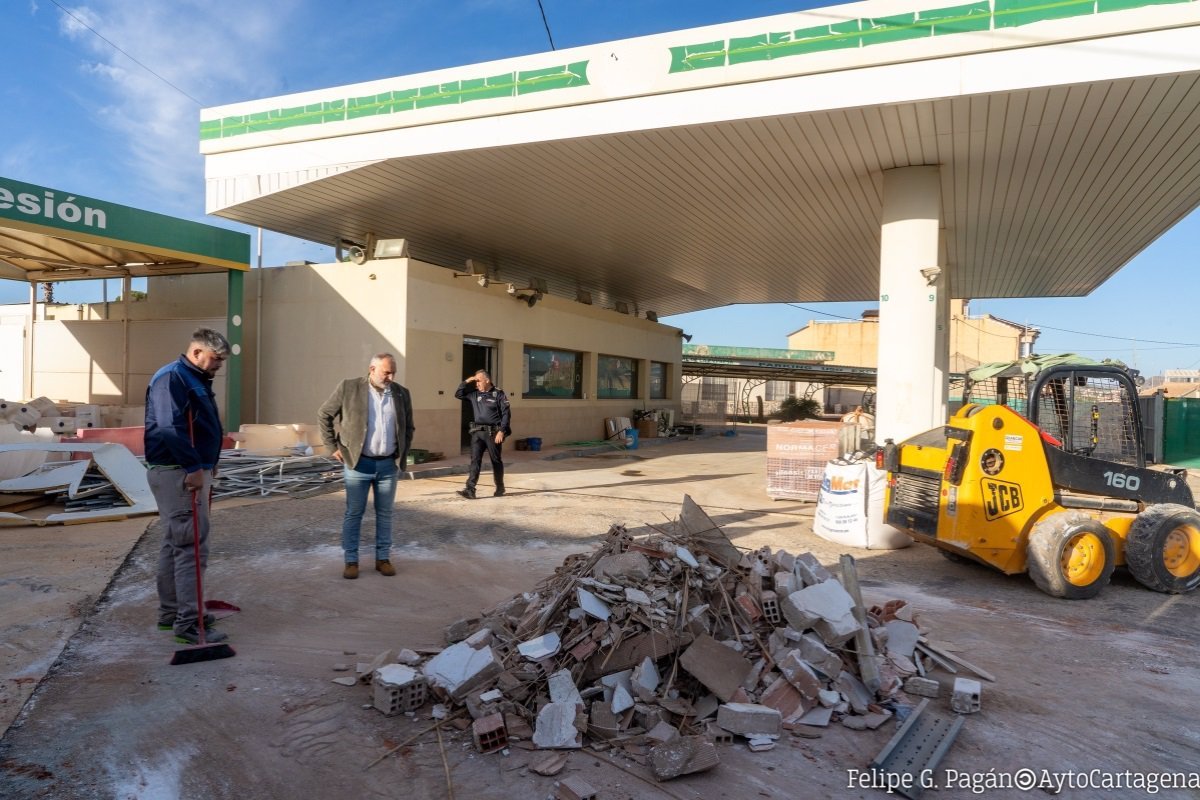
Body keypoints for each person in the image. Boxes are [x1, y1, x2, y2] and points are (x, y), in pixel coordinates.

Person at [144, 328, 231, 645]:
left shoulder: (190, 378)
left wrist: (209, 461)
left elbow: (196, 426)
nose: (219, 366)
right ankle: (188, 623)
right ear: (196, 353)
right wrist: (195, 467)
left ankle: (171, 615)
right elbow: (171, 427)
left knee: (175, 544)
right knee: (191, 548)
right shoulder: (174, 378)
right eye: (216, 359)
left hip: (184, 471)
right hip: (179, 473)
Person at [318, 353, 414, 579]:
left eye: (393, 372)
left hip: (388, 465)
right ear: (372, 369)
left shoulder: (401, 393)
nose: (390, 376)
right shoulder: (349, 388)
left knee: (385, 514)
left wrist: (402, 453)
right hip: (358, 464)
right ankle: (351, 561)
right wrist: (332, 446)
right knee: (354, 513)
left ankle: (383, 559)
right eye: (386, 372)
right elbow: (324, 414)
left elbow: (408, 427)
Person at [455, 369, 511, 499]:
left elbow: (506, 414)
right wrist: (468, 380)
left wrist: (501, 431)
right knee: (475, 460)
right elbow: (458, 394)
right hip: (477, 433)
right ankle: (470, 489)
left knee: (496, 460)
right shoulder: (474, 394)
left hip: (493, 433)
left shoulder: (498, 394)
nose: (477, 384)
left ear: (487, 380)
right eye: (475, 382)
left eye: (479, 381)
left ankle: (500, 487)